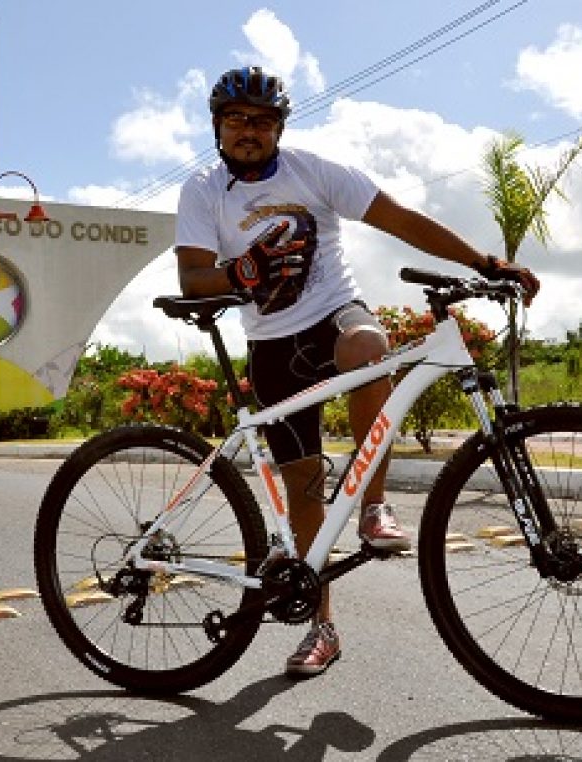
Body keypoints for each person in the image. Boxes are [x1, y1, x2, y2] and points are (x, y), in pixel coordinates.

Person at [173, 66, 540, 679]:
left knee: (371, 346)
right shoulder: (204, 190)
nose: (248, 131)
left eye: (261, 121)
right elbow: (192, 277)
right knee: (305, 496)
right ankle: (322, 628)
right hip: (272, 346)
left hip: (333, 317)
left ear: (278, 129)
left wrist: (483, 260)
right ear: (218, 127)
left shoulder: (315, 172)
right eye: (235, 120)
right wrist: (244, 274)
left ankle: (374, 507)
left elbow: (399, 218)